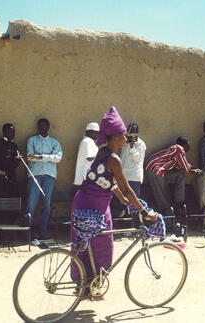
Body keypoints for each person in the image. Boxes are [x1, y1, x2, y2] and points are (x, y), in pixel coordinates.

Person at [70, 107, 154, 286]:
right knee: (103, 247)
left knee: (85, 247)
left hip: (86, 202)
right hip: (93, 207)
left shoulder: (102, 151)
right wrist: (143, 210)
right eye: (123, 135)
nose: (126, 138)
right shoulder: (114, 159)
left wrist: (122, 199)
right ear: (115, 137)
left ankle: (86, 285)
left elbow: (104, 180)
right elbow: (127, 189)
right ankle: (92, 282)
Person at [145, 136, 202, 218]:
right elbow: (185, 167)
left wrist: (192, 170)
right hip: (155, 169)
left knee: (179, 176)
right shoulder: (179, 148)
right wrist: (193, 170)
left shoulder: (174, 151)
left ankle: (179, 201)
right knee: (162, 199)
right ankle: (168, 222)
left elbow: (181, 167)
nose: (189, 147)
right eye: (188, 144)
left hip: (157, 169)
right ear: (183, 144)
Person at [25, 118, 63, 240]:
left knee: (46, 205)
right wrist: (48, 157)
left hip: (49, 176)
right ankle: (27, 232)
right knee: (31, 203)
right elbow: (30, 157)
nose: (42, 127)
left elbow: (58, 158)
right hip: (34, 175)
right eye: (39, 125)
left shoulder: (54, 142)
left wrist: (40, 156)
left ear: (48, 127)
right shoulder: (32, 140)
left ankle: (42, 232)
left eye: (44, 125)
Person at [117, 122, 146, 225]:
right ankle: (124, 225)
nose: (131, 135)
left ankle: (136, 225)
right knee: (123, 203)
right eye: (130, 133)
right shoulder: (124, 143)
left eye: (134, 133)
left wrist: (132, 146)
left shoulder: (140, 144)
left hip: (134, 176)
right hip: (124, 176)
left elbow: (137, 159)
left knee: (134, 203)